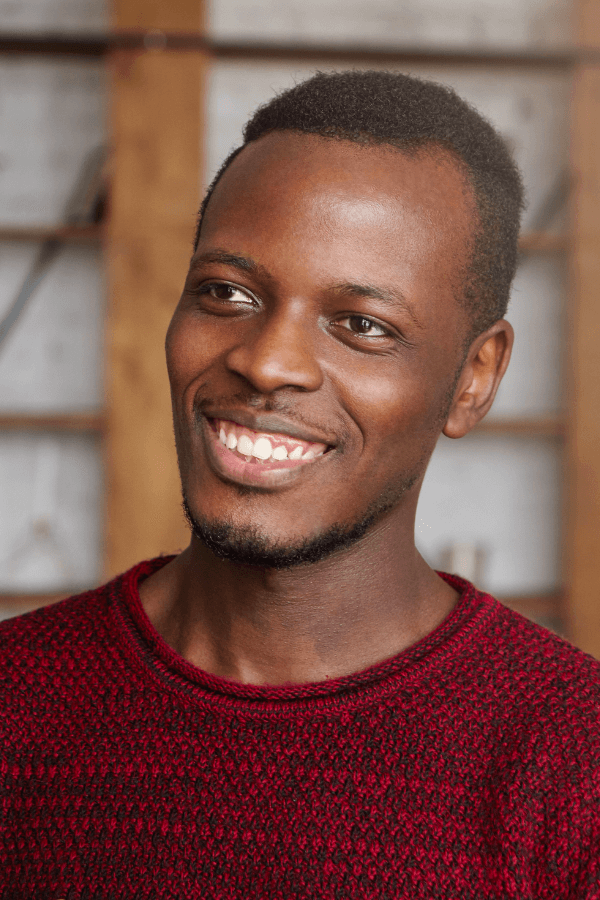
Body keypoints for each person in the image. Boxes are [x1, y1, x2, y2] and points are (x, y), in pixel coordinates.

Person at [1, 70, 598, 898]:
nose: (267, 360)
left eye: (362, 326)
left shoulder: (573, 767)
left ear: (474, 376)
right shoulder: (15, 704)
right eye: (228, 293)